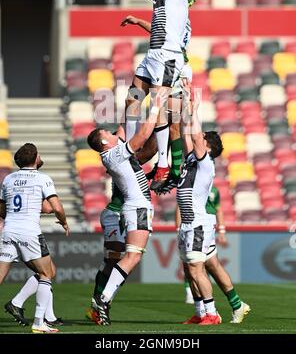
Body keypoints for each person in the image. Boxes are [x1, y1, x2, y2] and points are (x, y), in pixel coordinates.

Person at [110, 0, 197, 190]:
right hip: (154, 54)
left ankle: (162, 163)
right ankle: (129, 142)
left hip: (168, 58)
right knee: (132, 98)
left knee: (160, 112)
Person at [85, 90, 166, 325]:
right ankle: (104, 299)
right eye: (108, 134)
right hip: (138, 207)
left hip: (135, 206)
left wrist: (134, 98)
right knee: (131, 257)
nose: (114, 134)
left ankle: (103, 299)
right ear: (103, 142)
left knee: (130, 257)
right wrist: (156, 106)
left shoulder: (111, 151)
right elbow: (140, 137)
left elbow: (125, 124)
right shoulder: (114, 154)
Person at [120, 8, 194, 193]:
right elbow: (157, 31)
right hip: (152, 59)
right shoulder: (165, 12)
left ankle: (170, 168)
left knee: (171, 120)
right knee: (132, 101)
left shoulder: (181, 19)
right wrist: (138, 21)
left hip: (171, 63)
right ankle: (129, 150)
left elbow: (165, 35)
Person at [0, 143, 69, 333]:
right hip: (29, 232)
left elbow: (1, 208)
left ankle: (17, 303)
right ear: (36, 158)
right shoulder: (42, 178)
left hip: (8, 230)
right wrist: (63, 222)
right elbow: (56, 207)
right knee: (47, 274)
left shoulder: (8, 179)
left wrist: (15, 219)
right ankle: (39, 322)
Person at [177, 80, 223, 325]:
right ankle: (200, 312)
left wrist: (194, 105)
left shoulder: (205, 162)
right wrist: (186, 102)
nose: (198, 138)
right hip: (187, 223)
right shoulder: (192, 159)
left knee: (197, 268)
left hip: (197, 222)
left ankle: (212, 313)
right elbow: (187, 133)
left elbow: (194, 134)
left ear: (207, 146)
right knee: (189, 268)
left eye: (202, 138)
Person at [181, 186, 251, 324]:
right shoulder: (196, 183)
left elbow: (217, 209)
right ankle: (205, 311)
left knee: (202, 266)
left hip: (201, 224)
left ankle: (213, 312)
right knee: (198, 267)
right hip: (193, 223)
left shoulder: (204, 185)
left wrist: (222, 230)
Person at [4, 197, 63, 327]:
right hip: (24, 232)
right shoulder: (34, 182)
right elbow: (48, 208)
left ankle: (48, 316)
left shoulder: (10, 181)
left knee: (46, 272)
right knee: (47, 272)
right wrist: (56, 203)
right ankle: (18, 305)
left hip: (9, 229)